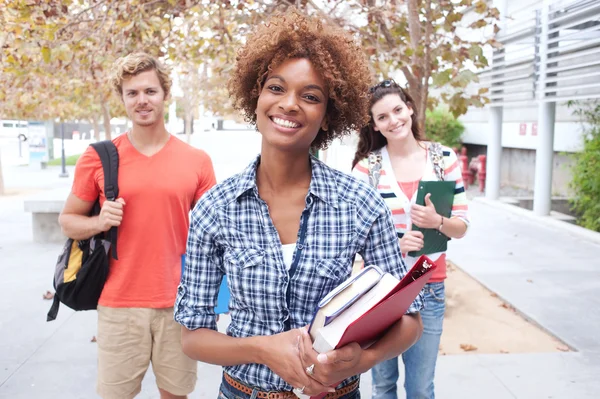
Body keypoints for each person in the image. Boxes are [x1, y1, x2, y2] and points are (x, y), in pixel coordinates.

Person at [174, 10, 424, 399]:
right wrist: (262, 349)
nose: (289, 104)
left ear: (327, 117)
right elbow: (191, 336)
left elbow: (408, 317)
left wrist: (363, 359)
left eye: (310, 96)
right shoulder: (215, 208)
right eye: (276, 88)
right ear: (256, 97)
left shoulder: (359, 202)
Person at [58, 52, 216, 399]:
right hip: (118, 304)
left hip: (180, 303)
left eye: (150, 91)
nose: (142, 100)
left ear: (164, 94)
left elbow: (213, 236)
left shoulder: (197, 161)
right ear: (123, 100)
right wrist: (99, 221)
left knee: (176, 394)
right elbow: (67, 221)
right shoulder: (98, 157)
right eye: (132, 93)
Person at [351, 80, 470, 399]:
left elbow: (461, 226)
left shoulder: (442, 158)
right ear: (375, 126)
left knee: (420, 387)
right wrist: (393, 245)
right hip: (382, 289)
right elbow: (353, 237)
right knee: (383, 385)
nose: (394, 120)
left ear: (410, 108)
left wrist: (438, 221)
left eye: (397, 110)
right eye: (383, 117)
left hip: (428, 284)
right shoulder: (367, 168)